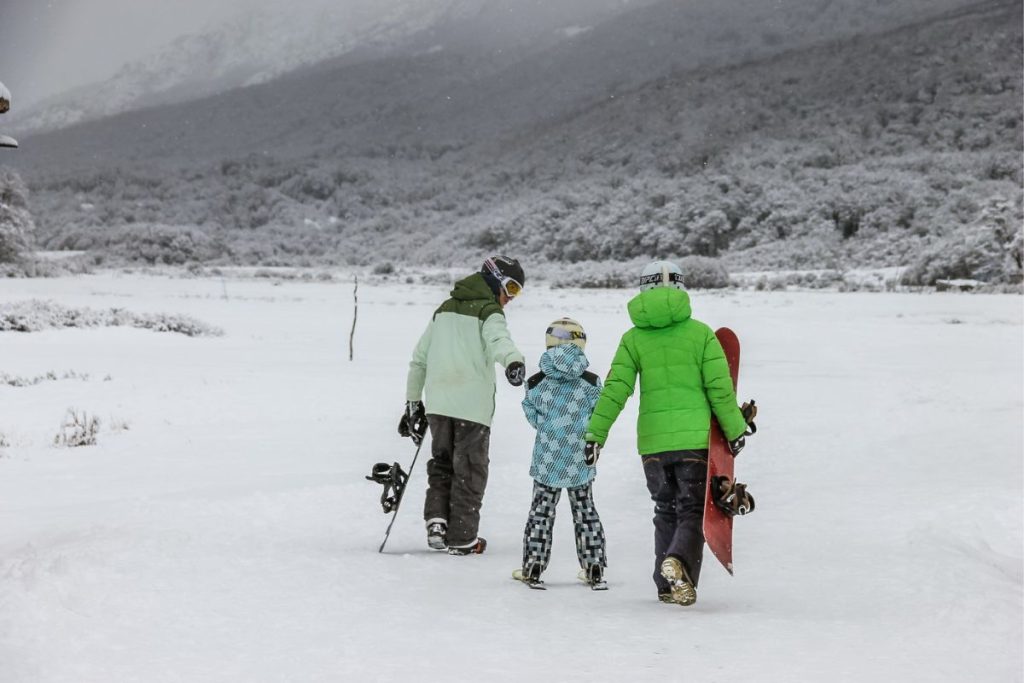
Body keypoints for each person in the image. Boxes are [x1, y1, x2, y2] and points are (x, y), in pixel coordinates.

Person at [583, 260, 756, 605]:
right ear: (680, 287)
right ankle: (678, 563)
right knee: (693, 510)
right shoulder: (701, 334)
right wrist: (736, 430)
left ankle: (665, 585)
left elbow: (616, 390)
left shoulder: (633, 339)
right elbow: (719, 391)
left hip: (653, 446)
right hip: (694, 444)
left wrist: (595, 435)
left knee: (665, 509)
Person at [401, 255, 527, 555]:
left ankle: (437, 522)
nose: (510, 298)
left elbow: (419, 360)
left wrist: (413, 402)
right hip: (472, 408)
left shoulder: (443, 310)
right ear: (494, 278)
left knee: (442, 464)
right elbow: (500, 341)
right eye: (510, 288)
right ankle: (462, 538)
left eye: (516, 292)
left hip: (439, 405)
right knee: (470, 470)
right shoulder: (489, 311)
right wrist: (513, 362)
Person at [516, 318, 607, 589]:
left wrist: (551, 429)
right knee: (585, 511)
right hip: (580, 458)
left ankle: (533, 565)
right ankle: (594, 567)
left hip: (547, 460)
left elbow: (532, 416)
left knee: (541, 513)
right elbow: (598, 416)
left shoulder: (535, 382)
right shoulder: (591, 382)